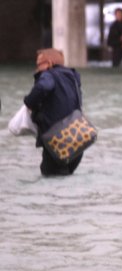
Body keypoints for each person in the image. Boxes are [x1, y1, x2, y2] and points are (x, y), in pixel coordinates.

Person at [23, 48, 86, 177]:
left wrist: (29, 102)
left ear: (49, 63)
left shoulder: (49, 74)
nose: (37, 68)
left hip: (57, 142)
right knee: (66, 179)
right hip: (77, 140)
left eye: (39, 64)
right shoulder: (73, 76)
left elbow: (43, 87)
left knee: (50, 178)